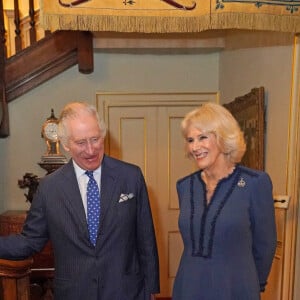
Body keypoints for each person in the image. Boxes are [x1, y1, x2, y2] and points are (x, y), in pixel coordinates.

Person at [0, 102, 160, 300]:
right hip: (74, 293)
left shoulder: (130, 176)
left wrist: (151, 290)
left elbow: (145, 238)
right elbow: (30, 241)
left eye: (95, 139)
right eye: (81, 143)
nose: (91, 150)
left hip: (127, 291)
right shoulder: (50, 188)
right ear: (66, 144)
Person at [172, 102, 277, 300]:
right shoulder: (184, 186)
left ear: (222, 138)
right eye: (190, 140)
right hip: (189, 287)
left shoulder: (255, 183)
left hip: (236, 288)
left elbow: (266, 244)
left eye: (203, 137)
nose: (195, 147)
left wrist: (254, 283)